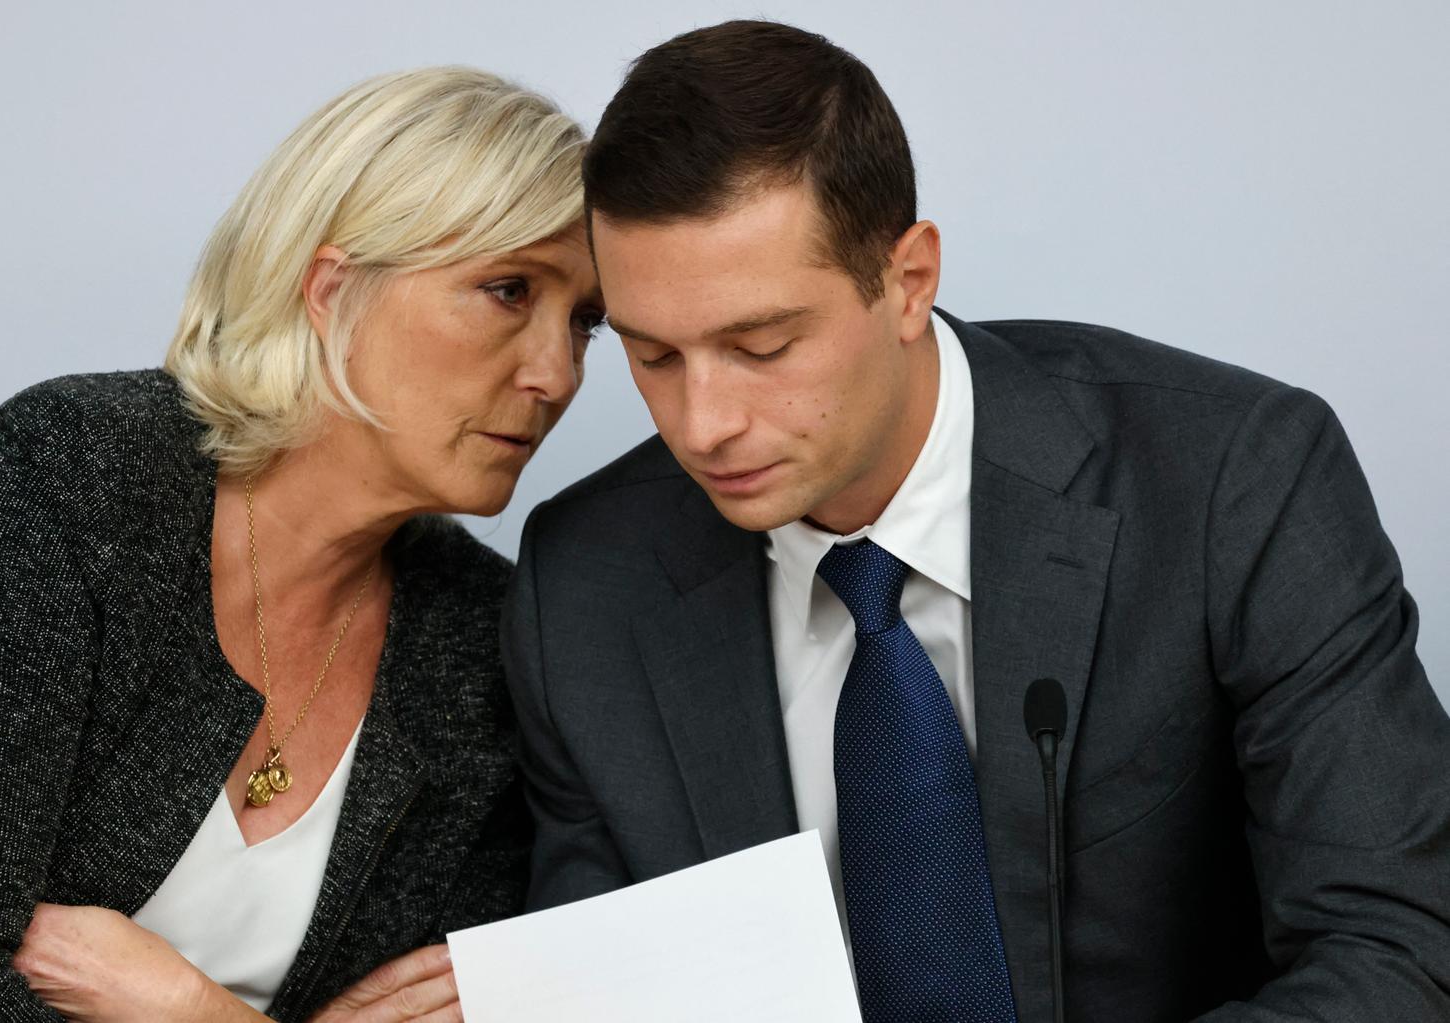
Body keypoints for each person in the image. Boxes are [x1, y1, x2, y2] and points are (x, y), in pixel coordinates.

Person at [502, 19, 1450, 1022]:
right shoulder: (583, 587)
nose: (703, 424)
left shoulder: (1230, 480)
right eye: (652, 357)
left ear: (908, 280)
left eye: (762, 345)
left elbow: (1398, 941)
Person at [0, 66, 602, 1023]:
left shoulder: (480, 640)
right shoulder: (72, 475)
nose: (555, 374)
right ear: (329, 288)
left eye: (585, 323)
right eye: (509, 290)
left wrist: (185, 1008)